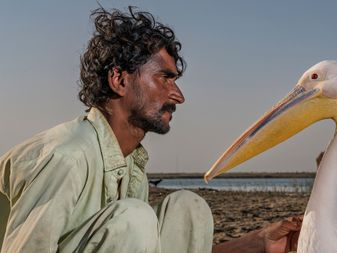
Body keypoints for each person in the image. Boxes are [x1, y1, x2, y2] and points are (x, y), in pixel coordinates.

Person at [0, 7, 300, 253]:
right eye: (164, 79)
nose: (178, 95)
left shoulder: (130, 164)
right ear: (119, 80)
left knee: (188, 208)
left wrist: (257, 243)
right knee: (135, 219)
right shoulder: (68, 156)